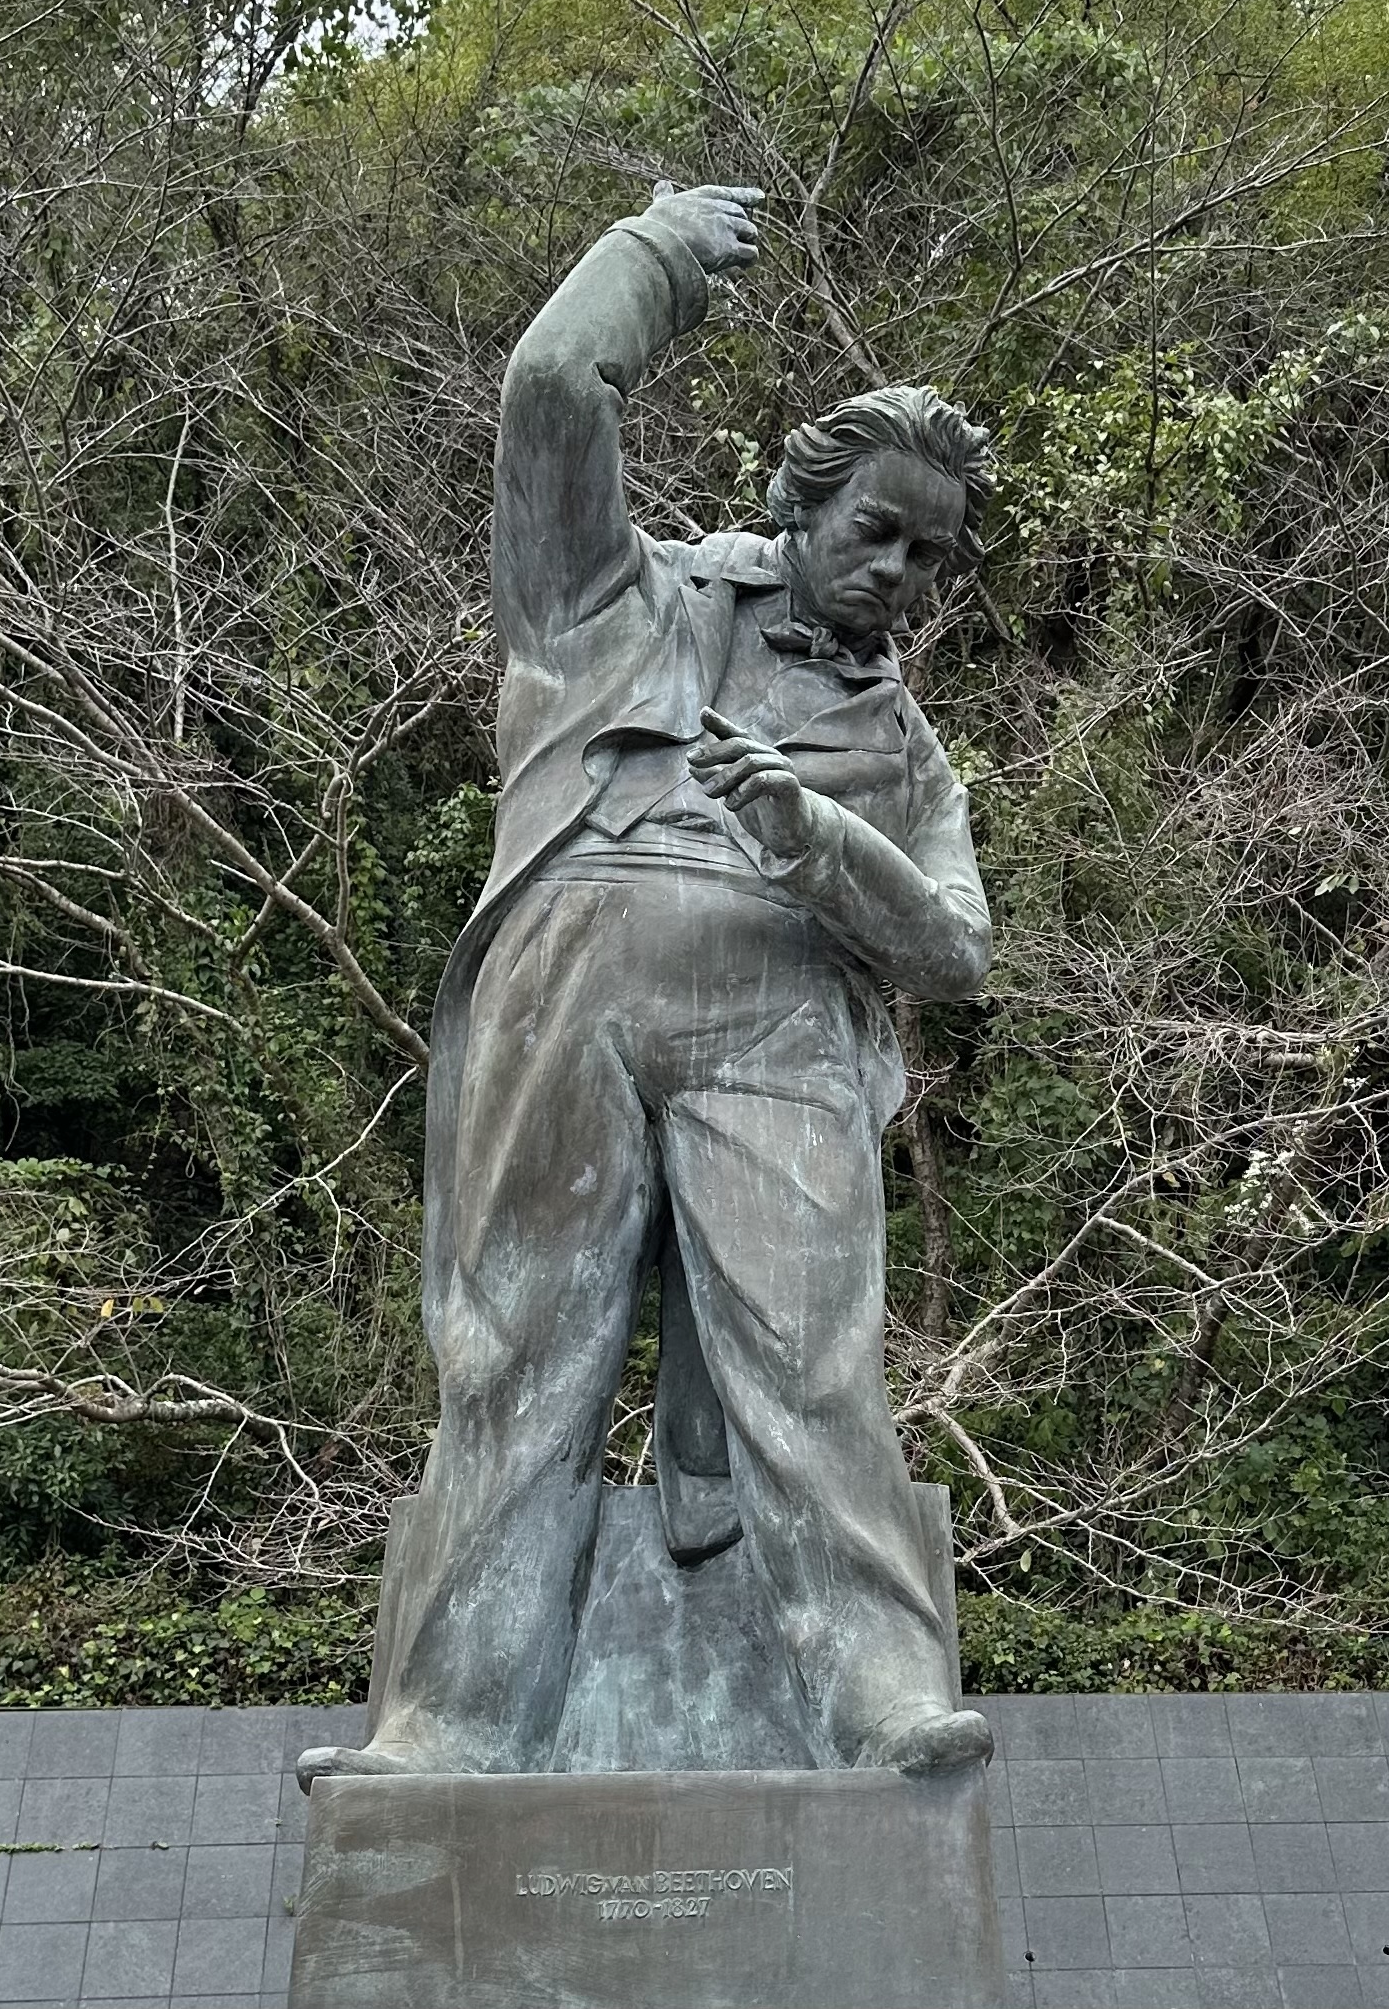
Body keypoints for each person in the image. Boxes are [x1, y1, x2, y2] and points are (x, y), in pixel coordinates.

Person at [302, 183, 996, 1784]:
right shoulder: (610, 599)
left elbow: (954, 952)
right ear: (803, 505)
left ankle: (882, 1697)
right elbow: (553, 385)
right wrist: (657, 254)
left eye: (926, 553)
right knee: (515, 1359)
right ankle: (450, 1724)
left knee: (812, 1365)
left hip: (778, 1024)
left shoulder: (901, 747)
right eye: (874, 529)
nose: (897, 569)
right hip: (567, 987)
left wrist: (815, 836)